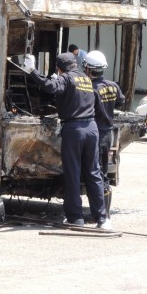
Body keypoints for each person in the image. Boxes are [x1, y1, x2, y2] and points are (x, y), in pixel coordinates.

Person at [22, 52, 111, 230]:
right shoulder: (85, 78)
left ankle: (75, 218)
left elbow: (50, 86)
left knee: (73, 173)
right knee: (93, 173)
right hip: (92, 128)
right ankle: (102, 218)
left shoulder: (67, 78)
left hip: (74, 129)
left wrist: (32, 71)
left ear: (59, 68)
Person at [83, 50, 125, 218]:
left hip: (95, 134)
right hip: (108, 134)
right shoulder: (113, 86)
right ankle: (103, 212)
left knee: (96, 173)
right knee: (103, 172)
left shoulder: (91, 89)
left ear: (87, 68)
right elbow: (121, 102)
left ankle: (100, 214)